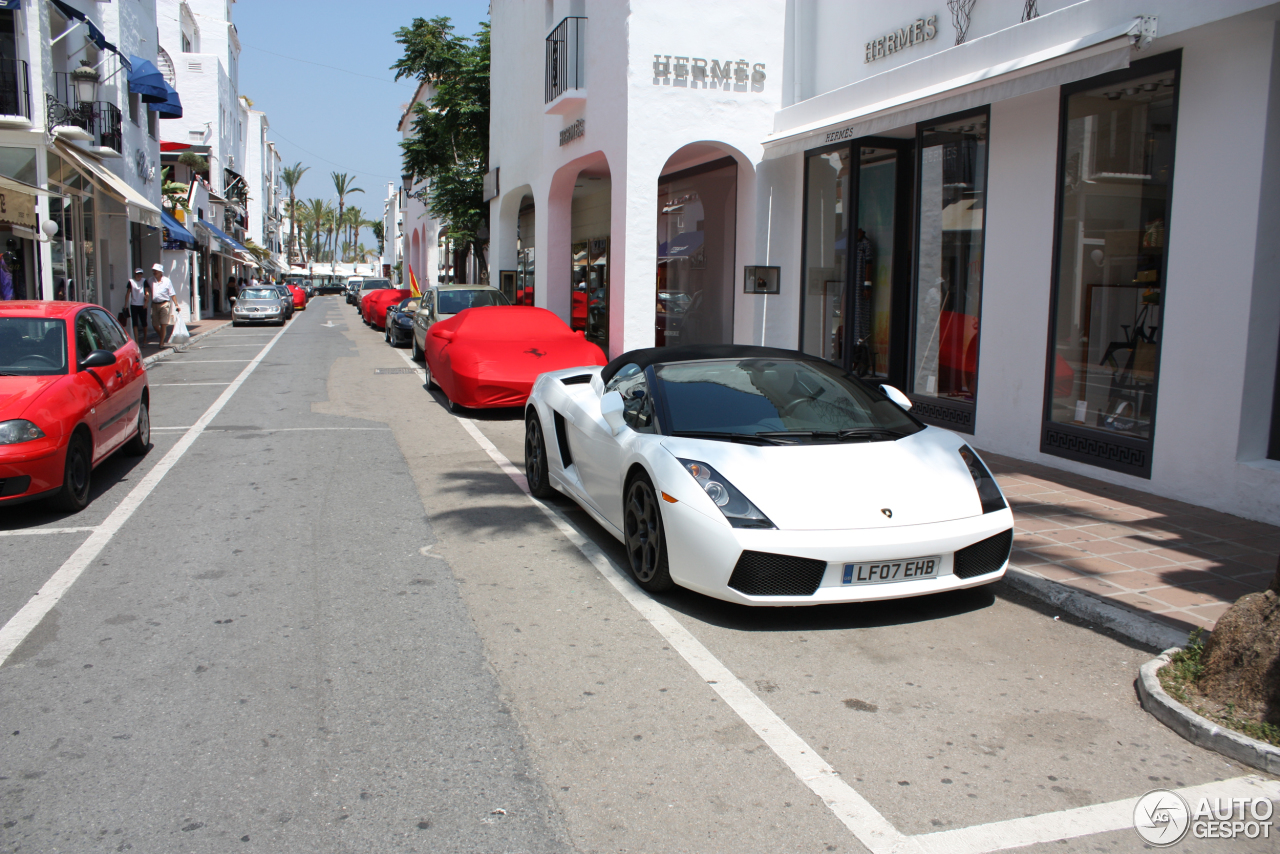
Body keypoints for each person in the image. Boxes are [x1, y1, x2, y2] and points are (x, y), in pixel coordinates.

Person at [149, 263, 177, 346]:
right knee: (155, 325)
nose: (155, 272)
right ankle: (162, 336)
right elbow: (146, 290)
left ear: (161, 272)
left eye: (156, 271)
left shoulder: (167, 281)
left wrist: (176, 304)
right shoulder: (150, 280)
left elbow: (172, 293)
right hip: (154, 304)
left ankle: (161, 343)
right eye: (154, 270)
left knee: (163, 324)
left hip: (165, 304)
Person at [127, 268, 149, 341]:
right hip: (134, 304)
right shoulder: (131, 281)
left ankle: (145, 339)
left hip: (142, 304)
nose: (139, 275)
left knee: (144, 323)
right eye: (137, 273)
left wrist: (146, 303)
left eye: (140, 273)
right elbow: (128, 293)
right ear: (135, 274)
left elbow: (147, 292)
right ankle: (136, 340)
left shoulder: (144, 281)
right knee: (135, 323)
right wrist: (125, 304)